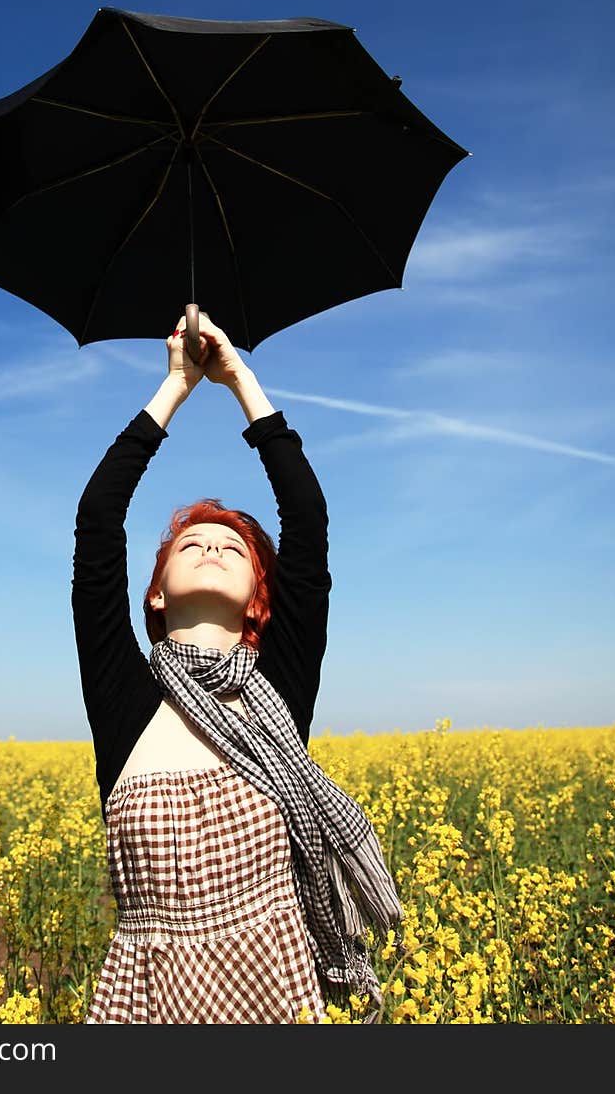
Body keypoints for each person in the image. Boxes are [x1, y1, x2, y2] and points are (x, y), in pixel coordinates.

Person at [72, 311, 402, 1024]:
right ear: (155, 592)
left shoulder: (276, 692)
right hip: (148, 999)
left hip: (274, 992)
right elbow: (99, 524)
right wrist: (175, 389)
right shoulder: (126, 703)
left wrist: (242, 382)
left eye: (234, 546)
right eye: (190, 544)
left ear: (261, 596)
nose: (212, 546)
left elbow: (306, 524)